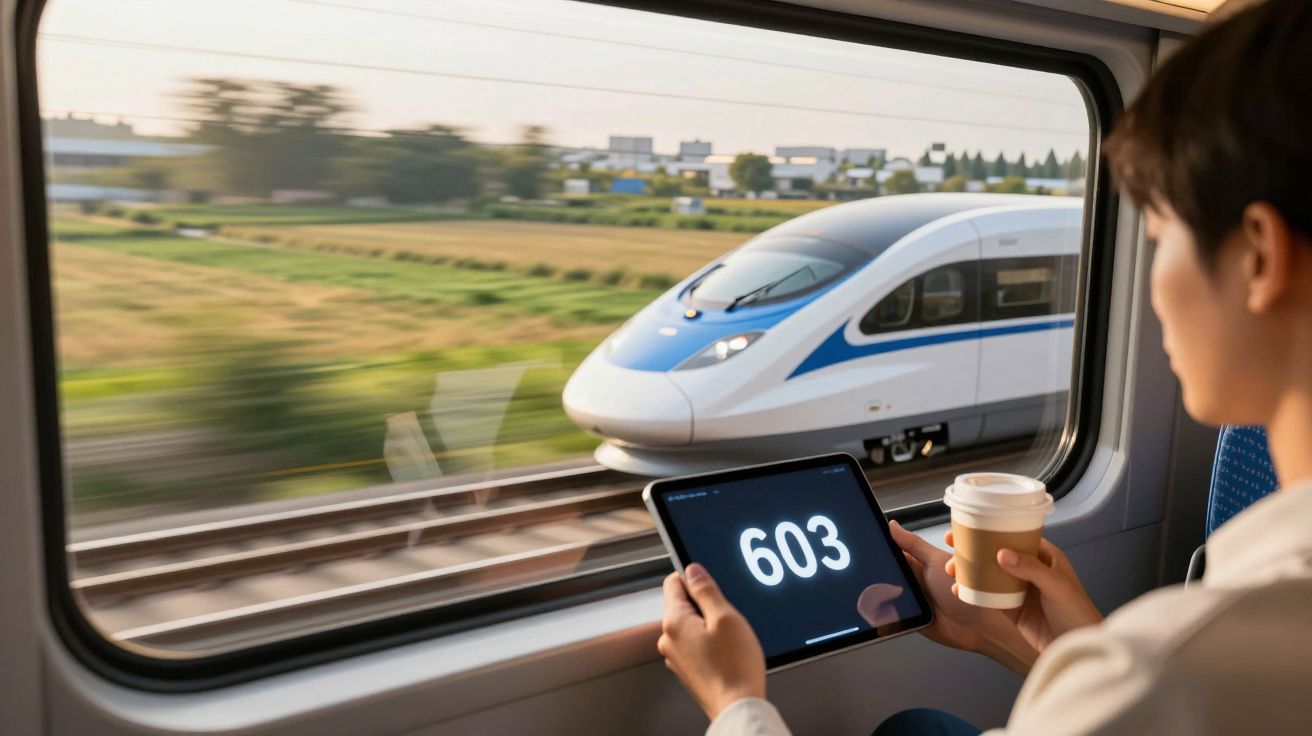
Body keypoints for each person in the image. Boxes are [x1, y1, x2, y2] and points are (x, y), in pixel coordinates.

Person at [656, 0, 1312, 732]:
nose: (1152, 289)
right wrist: (1042, 641)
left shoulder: (1174, 667)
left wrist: (736, 702)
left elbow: (1153, 699)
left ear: (1258, 257)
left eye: (1161, 237)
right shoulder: (1198, 659)